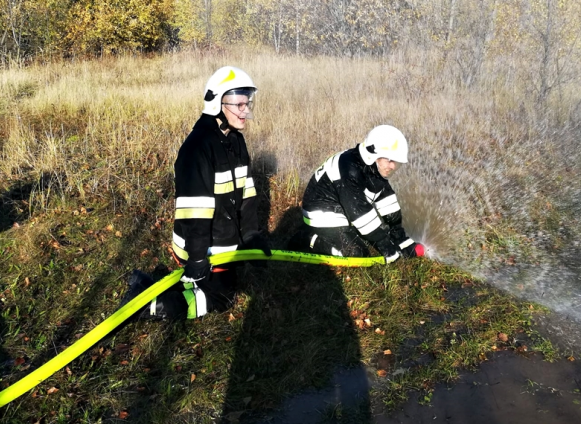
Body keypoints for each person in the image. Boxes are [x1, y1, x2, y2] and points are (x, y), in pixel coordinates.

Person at [123, 66, 271, 320]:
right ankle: (144, 299)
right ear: (216, 103)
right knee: (220, 299)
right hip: (200, 246)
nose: (245, 110)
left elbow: (246, 193)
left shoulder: (235, 140)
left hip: (224, 242)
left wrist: (251, 236)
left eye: (247, 103)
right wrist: (197, 258)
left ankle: (162, 286)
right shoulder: (197, 148)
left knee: (227, 289)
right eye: (238, 104)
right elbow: (195, 212)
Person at [290, 125, 425, 262]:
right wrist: (384, 244)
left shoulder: (373, 166)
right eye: (389, 160)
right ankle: (308, 237)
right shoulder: (350, 169)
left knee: (364, 236)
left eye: (396, 162)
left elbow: (387, 203)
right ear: (373, 154)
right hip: (321, 211)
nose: (393, 166)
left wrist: (400, 238)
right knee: (356, 254)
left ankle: (328, 233)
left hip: (341, 206)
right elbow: (359, 213)